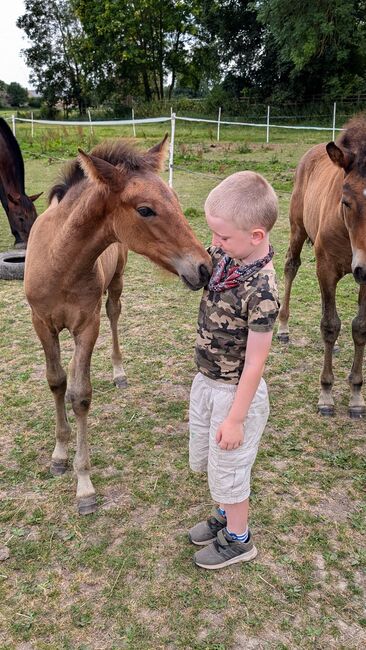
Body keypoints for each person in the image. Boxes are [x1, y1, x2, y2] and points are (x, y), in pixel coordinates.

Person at [188, 170, 280, 570]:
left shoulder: (262, 291)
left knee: (231, 466)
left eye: (222, 237)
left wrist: (237, 418)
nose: (215, 244)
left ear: (256, 236)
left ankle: (239, 539)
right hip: (209, 383)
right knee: (216, 460)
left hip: (234, 395)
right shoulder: (229, 259)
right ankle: (225, 515)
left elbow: (256, 361)